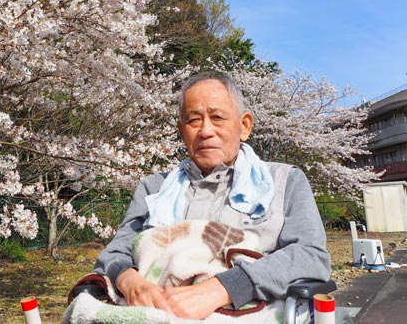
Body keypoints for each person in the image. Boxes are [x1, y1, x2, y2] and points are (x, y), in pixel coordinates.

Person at [92, 72, 331, 320]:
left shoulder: (285, 180)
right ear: (181, 130)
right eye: (194, 120)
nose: (206, 131)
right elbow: (113, 255)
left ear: (244, 126)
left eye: (217, 118)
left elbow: (311, 256)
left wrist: (225, 288)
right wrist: (130, 282)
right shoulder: (154, 189)